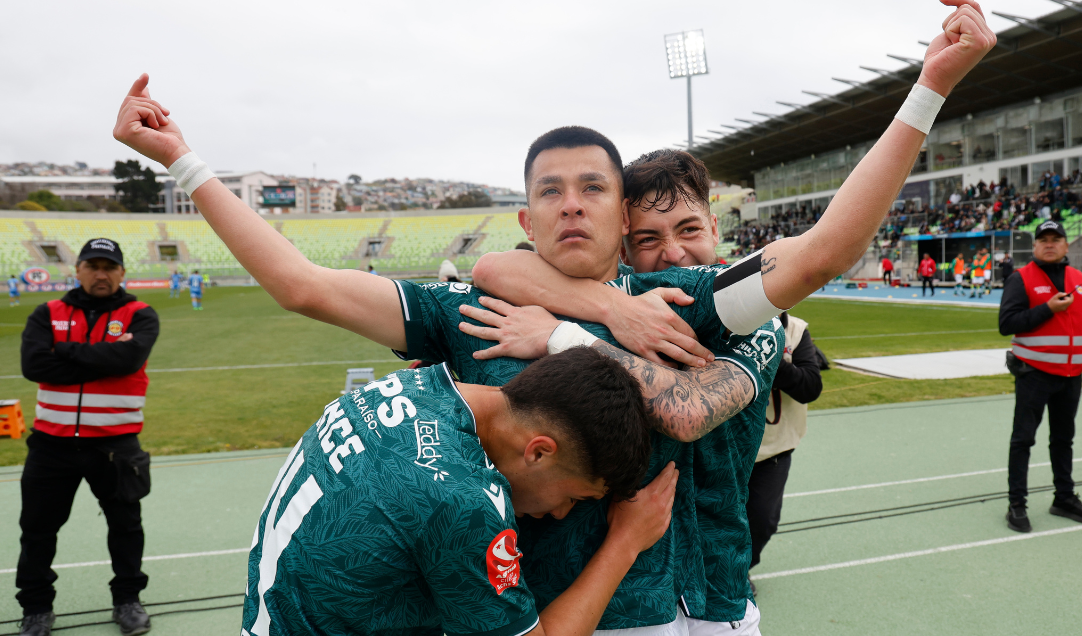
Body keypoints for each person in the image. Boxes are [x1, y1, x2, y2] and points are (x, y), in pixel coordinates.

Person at [111, 11, 993, 629]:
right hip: (556, 618)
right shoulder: (474, 309)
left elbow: (822, 252)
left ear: (622, 218)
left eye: (593, 190)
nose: (572, 206)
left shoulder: (683, 299)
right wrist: (182, 162)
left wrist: (928, 88)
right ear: (526, 220)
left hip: (716, 604)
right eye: (549, 193)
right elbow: (302, 284)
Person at [470, 147, 785, 634]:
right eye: (648, 238)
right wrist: (614, 310)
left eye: (689, 229)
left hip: (720, 597)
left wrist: (561, 335)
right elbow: (493, 267)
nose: (674, 253)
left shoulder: (751, 319)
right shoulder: (619, 303)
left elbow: (690, 415)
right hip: (627, 608)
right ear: (622, 244)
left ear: (717, 229)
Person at [243, 348, 677, 636]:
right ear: (539, 452)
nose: (563, 514)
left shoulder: (413, 385)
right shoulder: (462, 502)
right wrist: (625, 542)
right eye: (575, 498)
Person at [17, 238, 160, 636]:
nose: (101, 274)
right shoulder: (47, 312)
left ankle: (128, 601)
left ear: (121, 273)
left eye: (109, 267)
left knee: (126, 527)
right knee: (38, 531)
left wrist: (64, 352)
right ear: (77, 270)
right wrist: (105, 357)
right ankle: (36, 608)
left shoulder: (140, 314)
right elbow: (33, 365)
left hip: (115, 446)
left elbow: (129, 360)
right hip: (51, 444)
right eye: (93, 266)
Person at [999, 220, 1082, 534]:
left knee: (1063, 440)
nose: (1049, 244)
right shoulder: (1020, 279)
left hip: (1071, 376)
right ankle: (1016, 504)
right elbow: (1007, 323)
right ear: (1035, 247)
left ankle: (1063, 498)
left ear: (1065, 245)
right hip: (1034, 375)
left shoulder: (1079, 280)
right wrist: (1047, 309)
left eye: (1056, 239)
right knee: (1023, 440)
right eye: (1043, 240)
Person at [746, 311, 823, 596]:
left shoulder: (797, 331)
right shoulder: (726, 323)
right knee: (715, 514)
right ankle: (720, 573)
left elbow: (811, 387)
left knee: (763, 520)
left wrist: (771, 359)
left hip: (774, 449)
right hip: (726, 448)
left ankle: (741, 569)